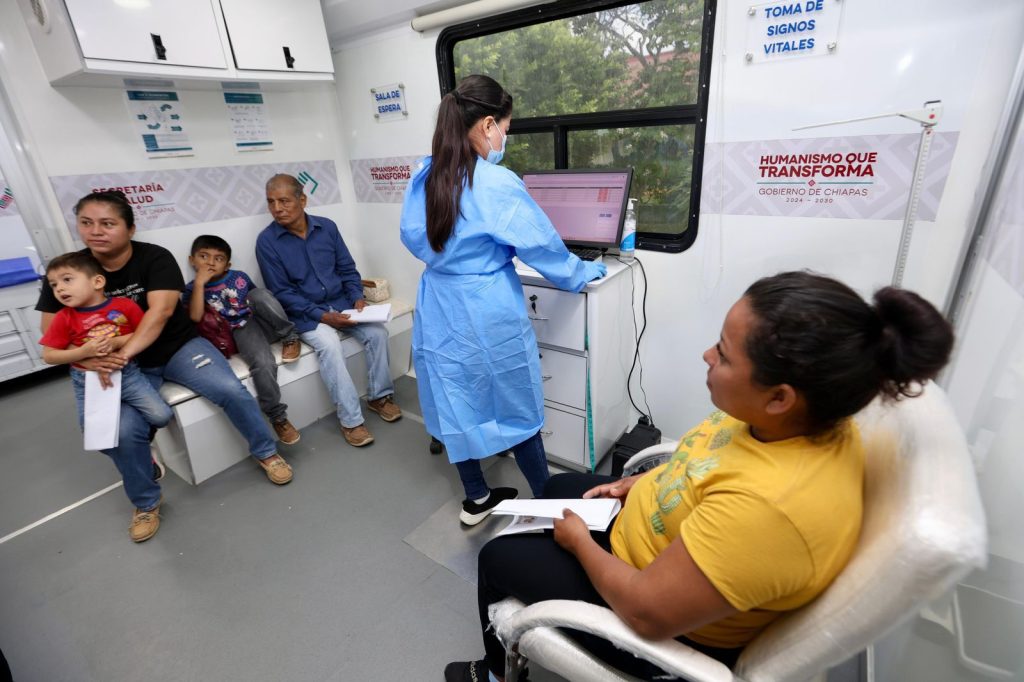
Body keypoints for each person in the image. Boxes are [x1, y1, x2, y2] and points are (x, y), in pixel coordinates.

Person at [445, 270, 955, 681]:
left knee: (496, 556)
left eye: (724, 354)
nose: (707, 355)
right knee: (558, 487)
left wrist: (580, 542)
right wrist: (639, 484)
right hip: (652, 538)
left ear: (780, 397)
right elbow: (708, 463)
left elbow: (646, 613)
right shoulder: (786, 419)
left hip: (656, 617)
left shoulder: (772, 510)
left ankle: (493, 673)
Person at [399, 74, 607, 526]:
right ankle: (548, 504)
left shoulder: (425, 174)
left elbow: (412, 236)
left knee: (454, 398)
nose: (504, 139)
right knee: (516, 401)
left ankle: (476, 497)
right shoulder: (495, 183)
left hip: (438, 302)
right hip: (484, 306)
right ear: (488, 124)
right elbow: (543, 248)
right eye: (506, 129)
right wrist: (582, 272)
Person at [36, 191, 294, 544]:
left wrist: (120, 353)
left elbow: (160, 315)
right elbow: (51, 333)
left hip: (175, 347)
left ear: (130, 228)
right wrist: (89, 358)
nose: (96, 231)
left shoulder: (155, 258)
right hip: (115, 366)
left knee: (230, 389)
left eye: (107, 223)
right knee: (122, 431)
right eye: (86, 223)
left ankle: (266, 452)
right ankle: (146, 502)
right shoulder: (68, 271)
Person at [256, 173, 402, 448]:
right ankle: (351, 421)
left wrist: (357, 299)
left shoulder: (327, 228)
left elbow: (347, 269)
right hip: (306, 314)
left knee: (378, 334)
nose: (277, 208)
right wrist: (323, 316)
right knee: (330, 345)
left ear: (302, 200)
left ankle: (379, 397)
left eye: (284, 201)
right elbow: (282, 292)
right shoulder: (267, 241)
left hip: (342, 302)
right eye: (271, 202)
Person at [184, 234, 303, 445]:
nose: (210, 263)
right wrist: (200, 284)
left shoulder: (239, 277)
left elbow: (263, 303)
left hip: (257, 320)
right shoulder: (191, 289)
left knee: (259, 294)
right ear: (192, 260)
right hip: (239, 332)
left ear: (227, 265)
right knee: (264, 363)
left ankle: (290, 336)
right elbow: (194, 317)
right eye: (204, 256)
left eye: (218, 258)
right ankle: (278, 416)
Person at [39, 251, 172, 432]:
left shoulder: (125, 306)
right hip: (87, 380)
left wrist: (116, 342)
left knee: (161, 416)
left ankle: (136, 426)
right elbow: (49, 356)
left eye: (67, 280)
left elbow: (143, 333)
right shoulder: (63, 317)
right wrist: (83, 352)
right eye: (54, 285)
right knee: (94, 431)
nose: (59, 289)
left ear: (97, 282)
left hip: (127, 374)